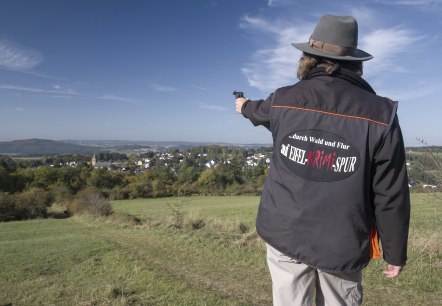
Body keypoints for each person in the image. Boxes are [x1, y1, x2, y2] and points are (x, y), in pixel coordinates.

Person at [235, 15, 410, 305]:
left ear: (309, 57)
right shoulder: (381, 114)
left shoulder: (283, 100)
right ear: (356, 62)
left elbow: (258, 111)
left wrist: (242, 107)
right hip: (342, 243)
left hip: (285, 233)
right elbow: (390, 193)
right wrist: (394, 251)